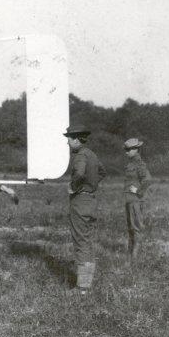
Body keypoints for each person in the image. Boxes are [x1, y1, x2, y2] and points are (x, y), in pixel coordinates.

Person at [64, 124, 106, 295]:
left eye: (69, 139)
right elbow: (102, 172)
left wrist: (74, 186)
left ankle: (82, 288)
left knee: (80, 242)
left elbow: (80, 174)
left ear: (76, 139)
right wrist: (91, 185)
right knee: (87, 241)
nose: (67, 143)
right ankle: (86, 285)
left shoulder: (80, 155)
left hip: (80, 201)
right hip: (91, 201)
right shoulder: (92, 154)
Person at [122, 137, 153, 264]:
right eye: (126, 149)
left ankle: (134, 260)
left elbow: (148, 180)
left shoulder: (139, 164)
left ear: (136, 149)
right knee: (131, 228)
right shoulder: (131, 163)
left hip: (135, 201)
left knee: (135, 229)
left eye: (129, 150)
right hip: (130, 201)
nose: (126, 152)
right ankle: (130, 258)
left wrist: (138, 191)